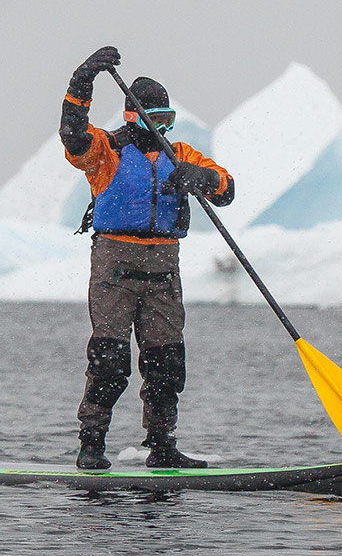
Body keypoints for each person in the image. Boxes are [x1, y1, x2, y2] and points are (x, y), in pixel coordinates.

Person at [61, 46, 236, 471]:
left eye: (168, 121)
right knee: (110, 360)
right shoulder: (106, 152)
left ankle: (162, 445)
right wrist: (82, 81)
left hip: (164, 269)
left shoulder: (182, 155)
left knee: (166, 362)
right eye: (155, 120)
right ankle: (92, 443)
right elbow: (73, 135)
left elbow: (226, 189)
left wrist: (203, 177)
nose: (163, 128)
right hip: (114, 267)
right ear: (132, 117)